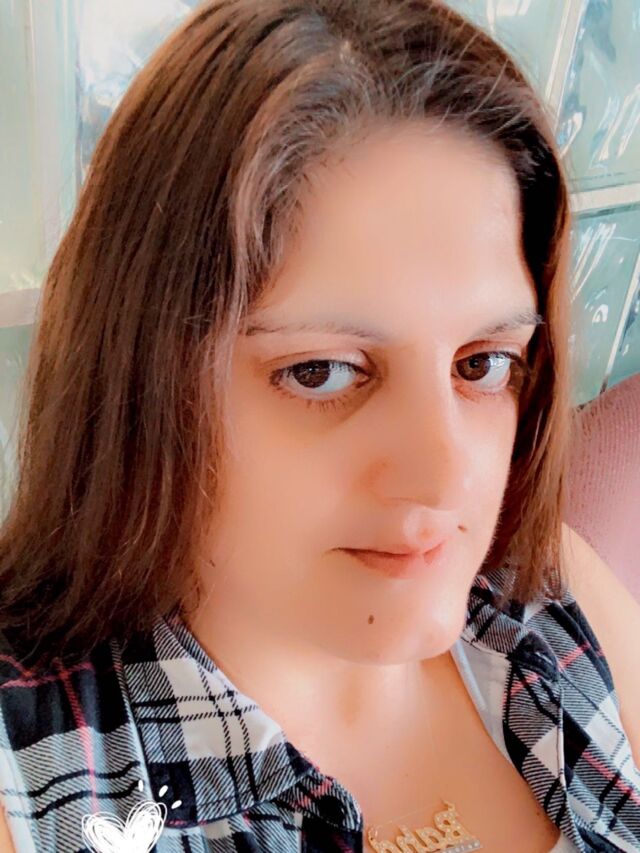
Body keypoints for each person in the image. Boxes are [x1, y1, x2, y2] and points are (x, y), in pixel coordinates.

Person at [0, 1, 638, 851]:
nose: (447, 475)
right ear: (139, 382)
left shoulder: (554, 596)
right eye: (322, 373)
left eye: (483, 363)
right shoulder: (33, 783)